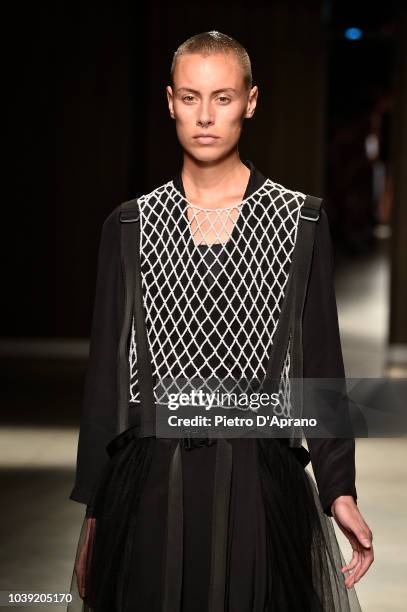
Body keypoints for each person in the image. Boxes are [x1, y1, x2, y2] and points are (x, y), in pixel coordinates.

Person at [67, 31, 373, 611]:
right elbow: (105, 384)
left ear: (251, 101)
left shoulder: (298, 221)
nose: (205, 116)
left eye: (223, 97)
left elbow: (320, 363)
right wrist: (95, 512)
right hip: (149, 482)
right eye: (190, 97)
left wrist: (339, 489)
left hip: (260, 484)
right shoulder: (130, 227)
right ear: (169, 101)